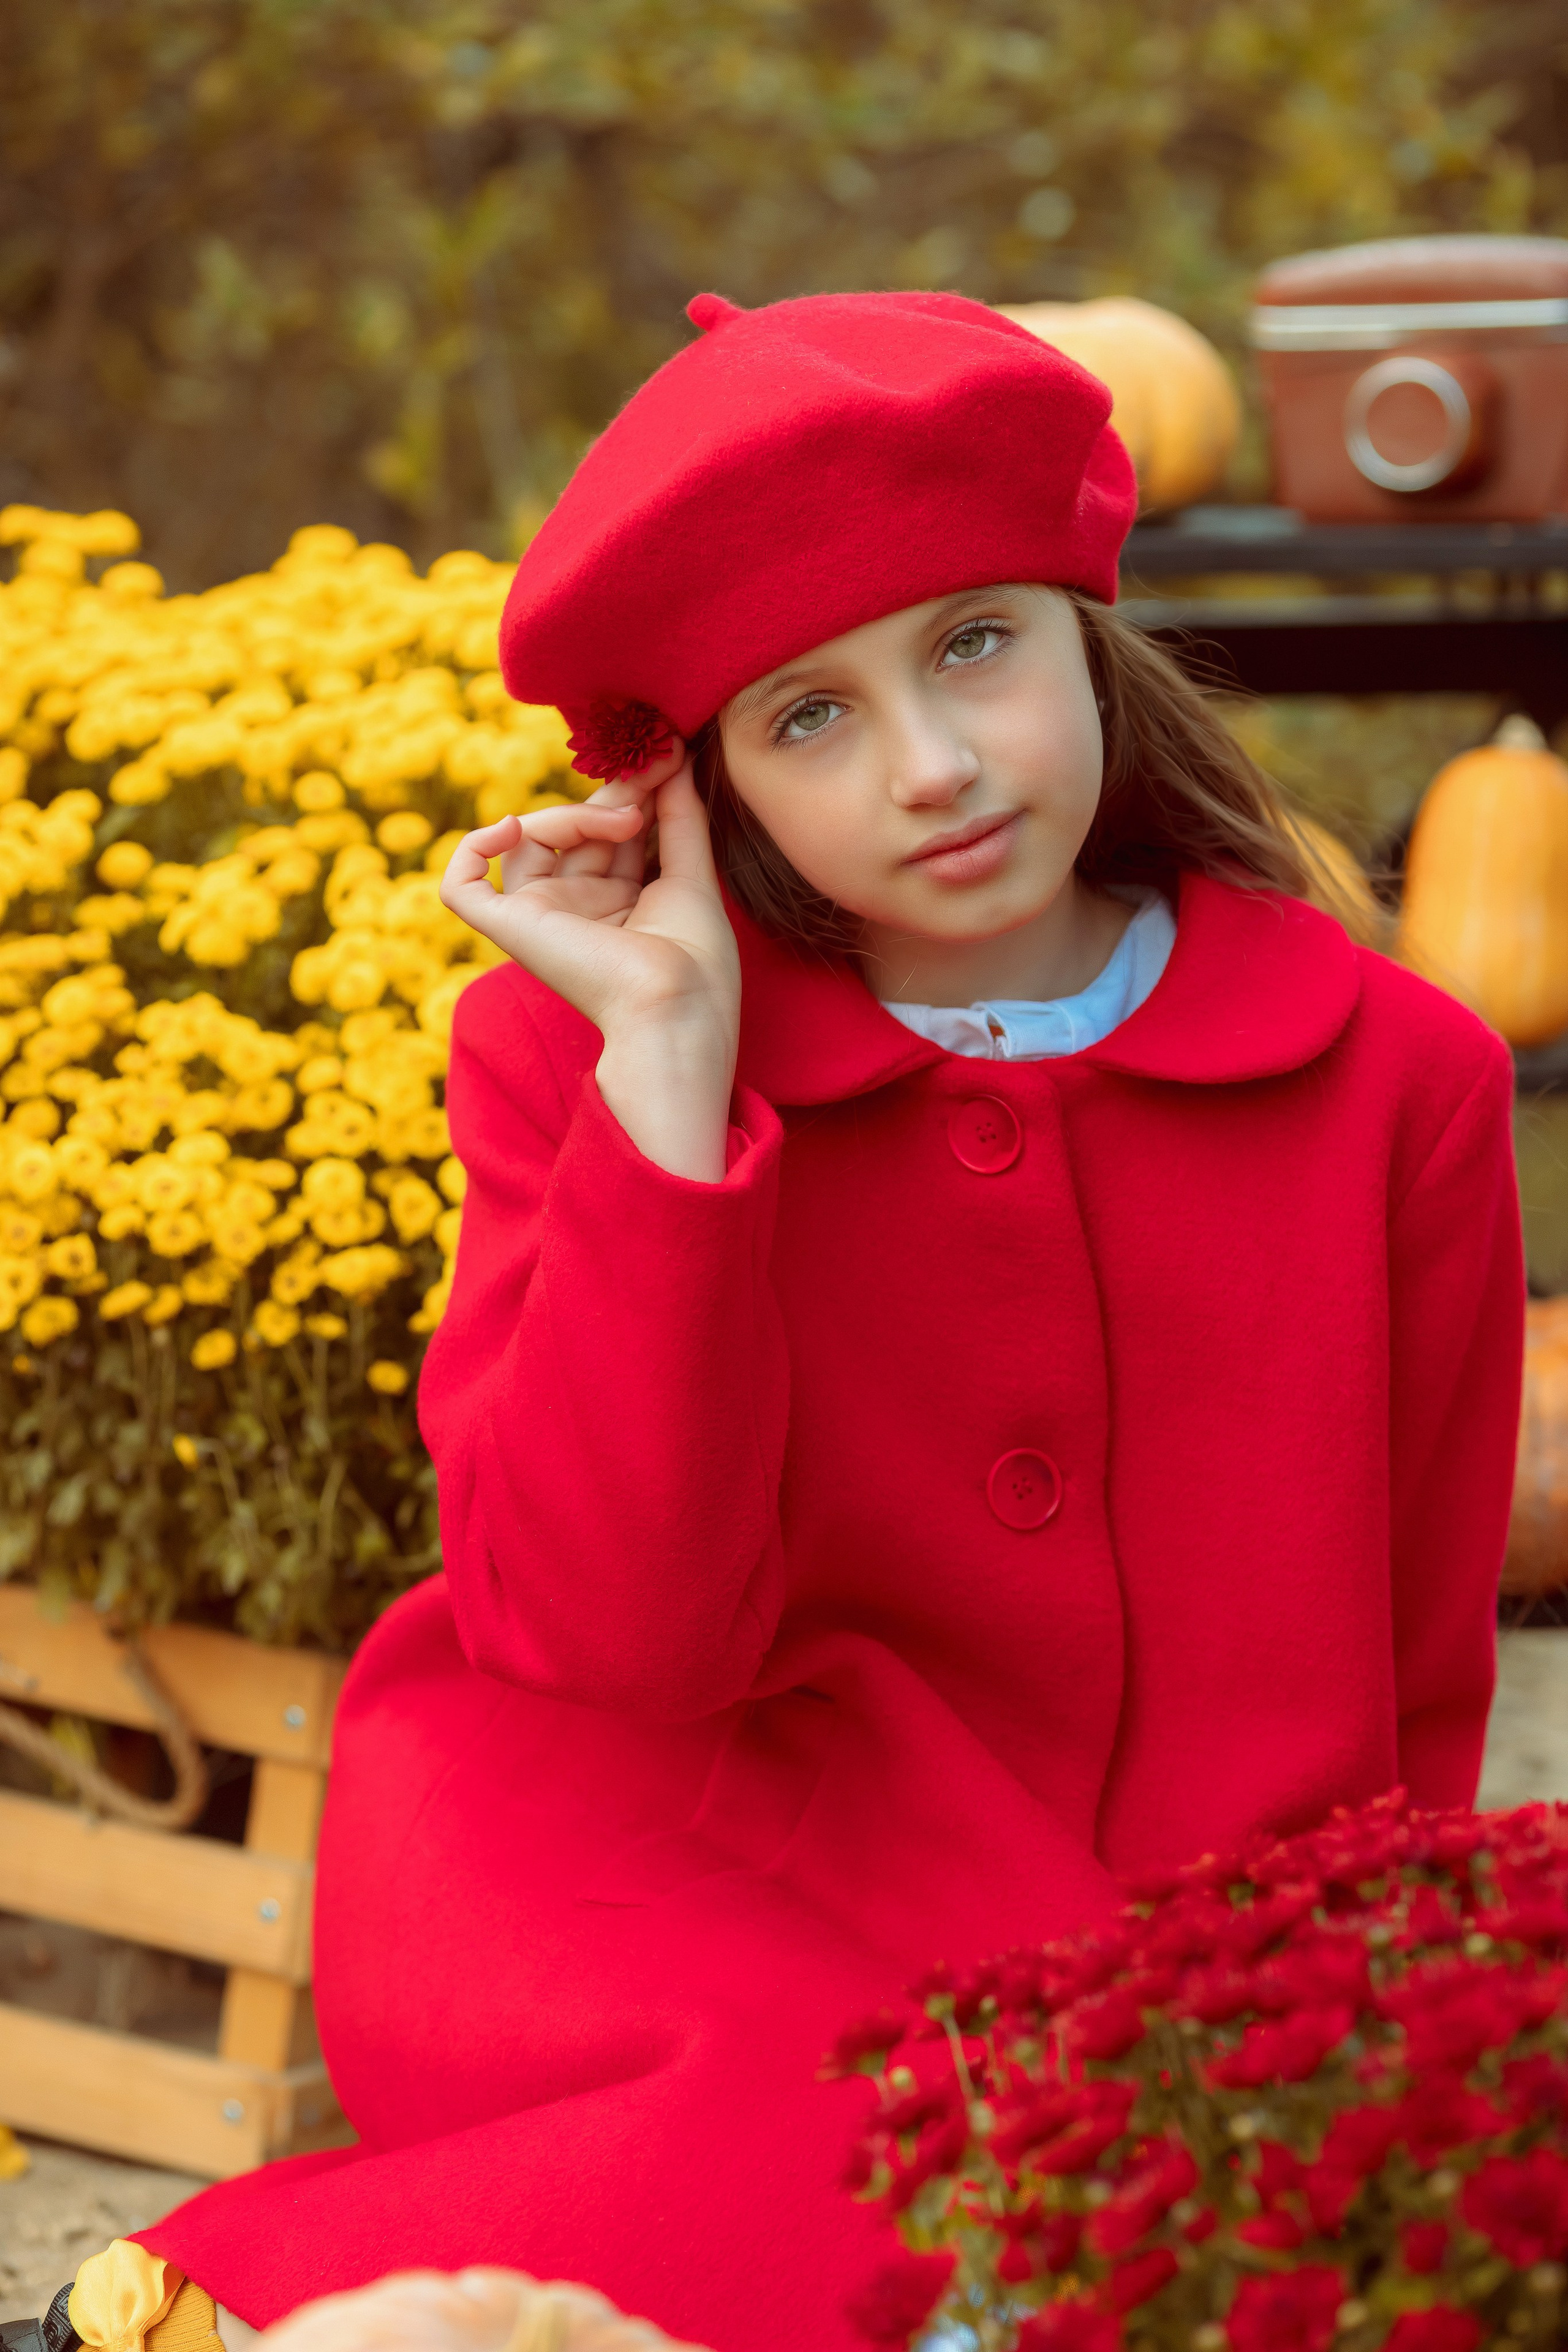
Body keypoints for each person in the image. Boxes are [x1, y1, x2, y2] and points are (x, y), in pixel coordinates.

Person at [130, 290, 1523, 2352]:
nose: (936, 767)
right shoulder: (577, 1059)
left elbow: (1416, 1668)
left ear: (1087, 629)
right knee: (844, 2178)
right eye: (811, 718)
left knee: (1271, 2200)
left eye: (975, 646)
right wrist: (671, 1085)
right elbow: (608, 1642)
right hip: (669, 1861)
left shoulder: (1401, 1081)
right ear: (707, 794)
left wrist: (1361, 2011)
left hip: (1153, 1919)